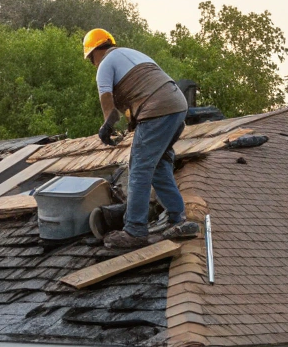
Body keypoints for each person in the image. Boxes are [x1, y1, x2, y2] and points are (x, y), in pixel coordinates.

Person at [83, 28, 201, 249]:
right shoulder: (133, 54)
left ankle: (134, 230)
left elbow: (107, 100)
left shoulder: (105, 64)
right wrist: (125, 125)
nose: (93, 64)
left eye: (91, 59)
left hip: (157, 110)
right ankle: (178, 219)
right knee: (159, 165)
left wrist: (106, 126)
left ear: (94, 52)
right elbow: (141, 94)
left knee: (138, 167)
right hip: (177, 106)